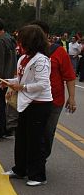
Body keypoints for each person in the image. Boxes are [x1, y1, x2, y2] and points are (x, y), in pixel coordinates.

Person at [1, 24, 53, 187]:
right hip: (26, 103)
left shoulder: (41, 60)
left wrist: (21, 87)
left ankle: (38, 175)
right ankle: (20, 169)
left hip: (40, 104)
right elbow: (21, 79)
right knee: (22, 138)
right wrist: (9, 82)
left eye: (22, 40)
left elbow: (43, 84)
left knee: (35, 140)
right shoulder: (23, 58)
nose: (19, 43)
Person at [33, 20, 76, 160]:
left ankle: (40, 161)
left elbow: (70, 77)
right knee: (32, 132)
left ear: (45, 34)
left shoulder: (59, 52)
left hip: (54, 101)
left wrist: (72, 98)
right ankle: (31, 160)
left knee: (47, 132)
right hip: (32, 100)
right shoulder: (29, 51)